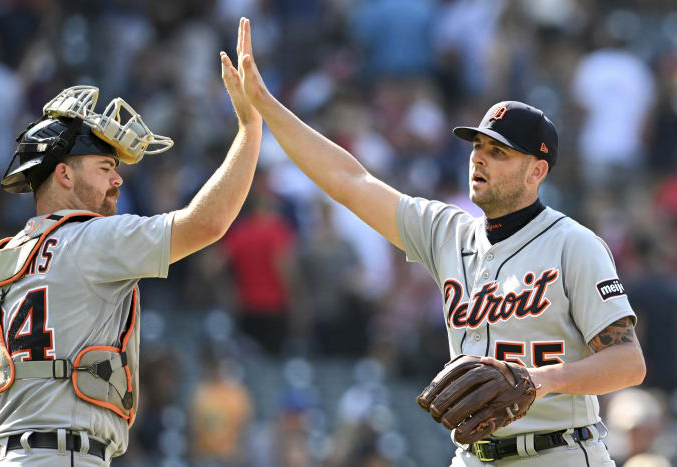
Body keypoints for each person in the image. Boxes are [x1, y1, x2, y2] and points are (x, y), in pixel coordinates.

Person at [232, 17, 646, 467]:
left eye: (499, 152)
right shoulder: (445, 231)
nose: (480, 159)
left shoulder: (575, 245)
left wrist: (537, 380)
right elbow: (348, 180)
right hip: (471, 457)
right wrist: (266, 105)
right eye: (477, 148)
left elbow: (628, 362)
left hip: (559, 452)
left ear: (537, 171)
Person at [0, 27, 261, 466]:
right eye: (105, 166)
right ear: (64, 175)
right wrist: (249, 129)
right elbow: (207, 223)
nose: (117, 180)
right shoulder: (92, 238)